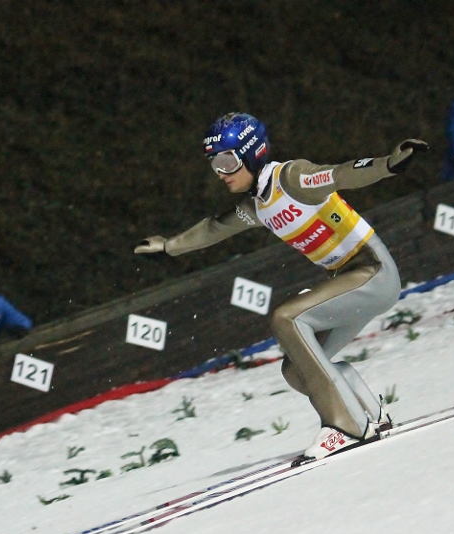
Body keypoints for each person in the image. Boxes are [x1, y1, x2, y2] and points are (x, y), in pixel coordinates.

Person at [135, 112, 428, 461]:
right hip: (350, 282)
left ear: (252, 154)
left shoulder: (291, 179)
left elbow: (340, 174)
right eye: (214, 164)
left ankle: (346, 425)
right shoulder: (256, 205)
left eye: (227, 162)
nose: (221, 173)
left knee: (286, 317)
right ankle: (367, 411)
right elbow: (215, 228)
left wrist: (388, 165)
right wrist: (170, 246)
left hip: (373, 271)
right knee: (296, 370)